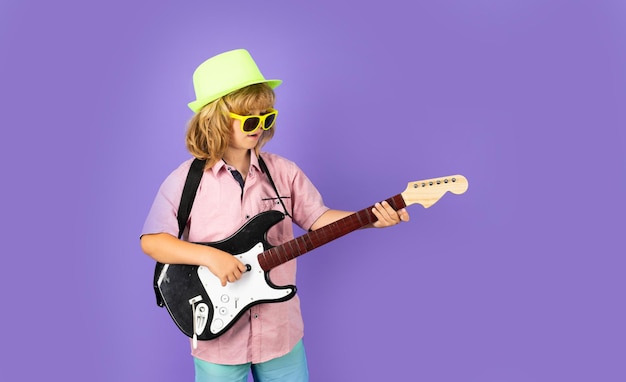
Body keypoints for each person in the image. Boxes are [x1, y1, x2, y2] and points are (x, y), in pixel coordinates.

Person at [140, 49, 410, 382]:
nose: (260, 127)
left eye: (266, 117)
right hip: (218, 342)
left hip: (280, 333)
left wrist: (369, 218)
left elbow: (318, 217)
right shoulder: (185, 180)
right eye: (249, 119)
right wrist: (210, 257)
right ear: (214, 118)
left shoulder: (284, 172)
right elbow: (153, 241)